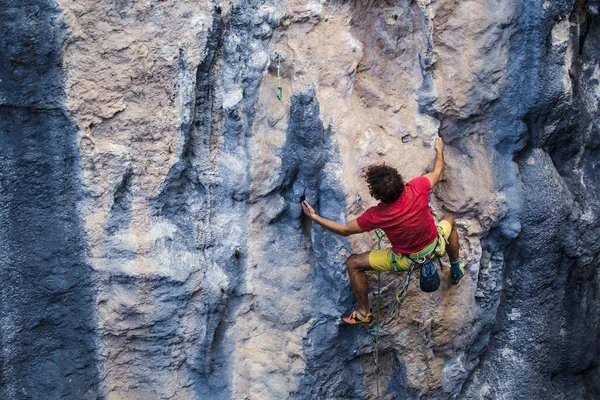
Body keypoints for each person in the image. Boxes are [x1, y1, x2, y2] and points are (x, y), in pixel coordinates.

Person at [301, 136, 462, 325]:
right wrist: (439, 149)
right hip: (436, 247)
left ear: (377, 195)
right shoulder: (417, 187)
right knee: (449, 220)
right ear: (400, 182)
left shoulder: (377, 215)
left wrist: (315, 217)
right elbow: (438, 172)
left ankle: (363, 313)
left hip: (406, 261)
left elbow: (345, 230)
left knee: (353, 264)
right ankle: (456, 268)